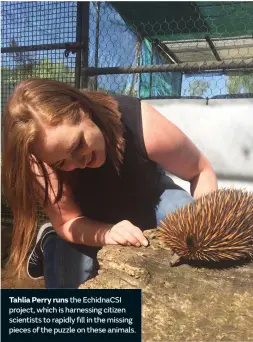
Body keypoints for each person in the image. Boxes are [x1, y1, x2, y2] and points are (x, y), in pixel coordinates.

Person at [2, 79, 218, 289]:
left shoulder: (139, 122)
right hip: (87, 217)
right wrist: (107, 233)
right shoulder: (39, 161)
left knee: (187, 216)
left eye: (77, 145)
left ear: (83, 109)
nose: (80, 162)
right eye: (61, 162)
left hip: (149, 196)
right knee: (73, 285)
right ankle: (50, 240)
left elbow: (200, 170)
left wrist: (203, 229)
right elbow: (68, 221)